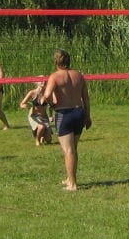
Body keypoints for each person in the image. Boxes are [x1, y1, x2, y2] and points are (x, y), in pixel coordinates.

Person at [42, 49, 92, 190]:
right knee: (73, 149)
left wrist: (53, 104)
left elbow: (46, 95)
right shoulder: (79, 75)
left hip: (64, 114)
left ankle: (73, 184)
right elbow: (86, 98)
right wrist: (87, 116)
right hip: (79, 112)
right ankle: (69, 178)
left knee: (68, 151)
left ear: (56, 61)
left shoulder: (55, 76)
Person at [19, 80, 53, 146]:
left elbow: (51, 106)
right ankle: (37, 140)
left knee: (49, 140)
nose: (43, 82)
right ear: (37, 83)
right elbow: (21, 104)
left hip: (44, 117)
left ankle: (41, 135)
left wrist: (51, 116)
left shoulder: (47, 93)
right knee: (41, 127)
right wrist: (25, 106)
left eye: (45, 81)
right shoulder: (32, 93)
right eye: (41, 80)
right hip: (34, 116)